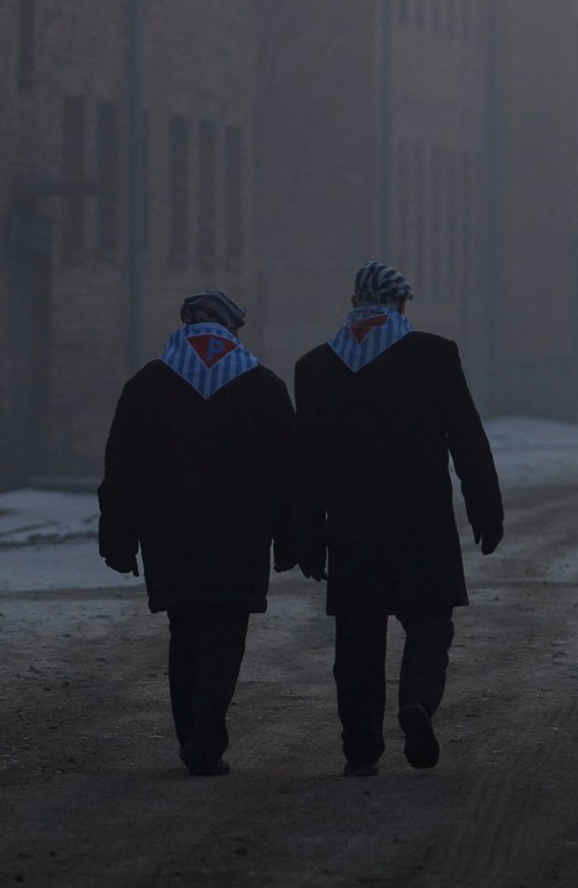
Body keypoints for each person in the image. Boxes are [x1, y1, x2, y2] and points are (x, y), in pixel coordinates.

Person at [292, 261, 503, 776]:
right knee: (430, 624)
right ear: (401, 304)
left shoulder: (316, 366)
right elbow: (466, 439)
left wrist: (307, 535)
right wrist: (485, 508)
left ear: (355, 301)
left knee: (358, 643)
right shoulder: (434, 355)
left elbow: (306, 463)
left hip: (352, 527)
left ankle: (361, 749)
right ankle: (417, 703)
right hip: (421, 522)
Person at [98, 289, 295, 776]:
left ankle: (192, 733)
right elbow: (291, 471)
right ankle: (206, 736)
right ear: (231, 330)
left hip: (170, 537)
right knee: (226, 635)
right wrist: (295, 537)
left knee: (185, 633)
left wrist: (118, 539)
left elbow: (122, 470)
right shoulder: (262, 386)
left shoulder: (147, 384)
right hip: (240, 537)